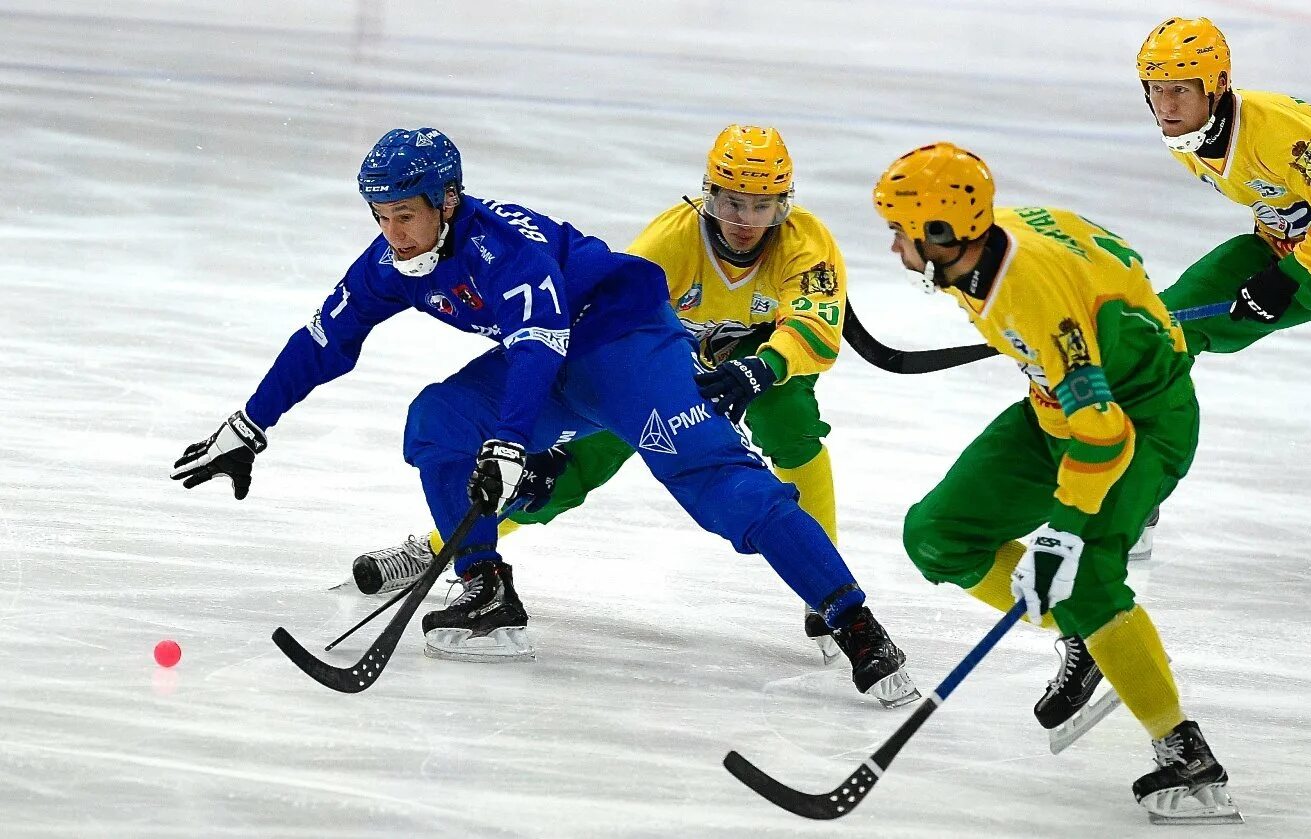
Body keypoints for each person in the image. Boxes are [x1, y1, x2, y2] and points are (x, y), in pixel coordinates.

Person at [169, 126, 919, 705]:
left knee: (722, 488)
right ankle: (487, 592)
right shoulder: (391, 260)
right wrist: (248, 425)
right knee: (434, 420)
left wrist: (511, 439)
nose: (394, 234)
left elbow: (536, 344)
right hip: (560, 365)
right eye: (382, 217)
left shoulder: (505, 251)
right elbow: (324, 340)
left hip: (625, 349)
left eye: (406, 216)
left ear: (448, 202)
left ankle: (854, 621)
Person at [352, 124, 851, 663]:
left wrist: (761, 367)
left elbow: (816, 329)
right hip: (663, 370)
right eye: (731, 201)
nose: (744, 222)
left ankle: (822, 578)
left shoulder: (807, 243)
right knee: (558, 479)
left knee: (789, 422)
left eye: (762, 206)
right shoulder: (672, 239)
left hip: (763, 366)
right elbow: (603, 327)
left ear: (784, 205)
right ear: (708, 194)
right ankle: (441, 547)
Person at [876, 142, 1239, 821]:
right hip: (1058, 415)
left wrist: (1065, 534)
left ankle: (1186, 752)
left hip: (1141, 421)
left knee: (1087, 575)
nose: (895, 246)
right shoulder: (981, 247)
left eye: (902, 230)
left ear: (945, 233)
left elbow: (1104, 431)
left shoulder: (1026, 287)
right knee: (937, 535)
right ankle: (1090, 632)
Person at [1128, 17, 1311, 564]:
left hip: (1297, 262)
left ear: (1217, 86)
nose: (1166, 105)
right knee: (1158, 332)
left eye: (1180, 90)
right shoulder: (1189, 138)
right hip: (1284, 251)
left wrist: (1289, 277)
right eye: (1156, 90)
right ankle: (1136, 500)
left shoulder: (1280, 131)